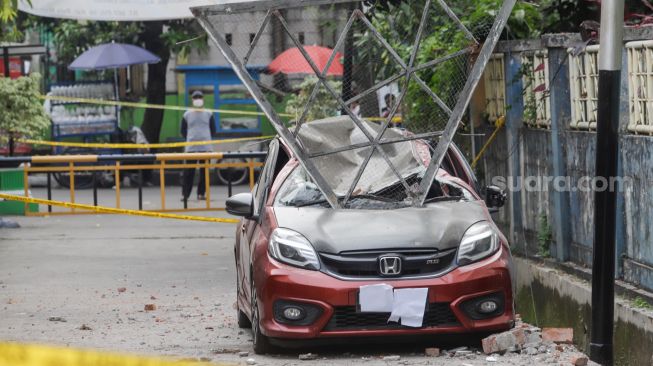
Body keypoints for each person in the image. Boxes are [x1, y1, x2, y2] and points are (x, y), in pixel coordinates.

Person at [181, 90, 216, 201]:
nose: (197, 99)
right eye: (195, 97)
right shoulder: (186, 114)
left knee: (204, 172)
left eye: (199, 97)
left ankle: (201, 194)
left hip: (206, 148)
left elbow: (213, 130)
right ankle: (185, 195)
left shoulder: (209, 113)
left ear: (203, 99)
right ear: (192, 100)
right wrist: (192, 138)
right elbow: (182, 130)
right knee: (188, 172)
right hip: (191, 148)